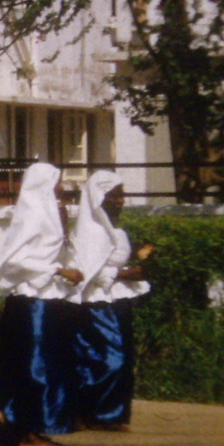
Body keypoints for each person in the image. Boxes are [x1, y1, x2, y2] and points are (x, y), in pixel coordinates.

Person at [0, 161, 85, 446]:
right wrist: (58, 270)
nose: (60, 187)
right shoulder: (32, 214)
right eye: (56, 181)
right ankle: (29, 431)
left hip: (44, 299)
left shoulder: (48, 213)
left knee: (43, 365)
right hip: (32, 302)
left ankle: (19, 419)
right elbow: (15, 259)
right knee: (37, 367)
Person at [68, 171, 151, 431]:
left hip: (117, 300)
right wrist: (124, 273)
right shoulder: (90, 234)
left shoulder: (115, 230)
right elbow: (88, 271)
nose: (120, 201)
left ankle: (111, 414)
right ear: (98, 198)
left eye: (122, 196)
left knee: (123, 358)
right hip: (97, 303)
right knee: (106, 358)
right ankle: (92, 412)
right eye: (114, 196)